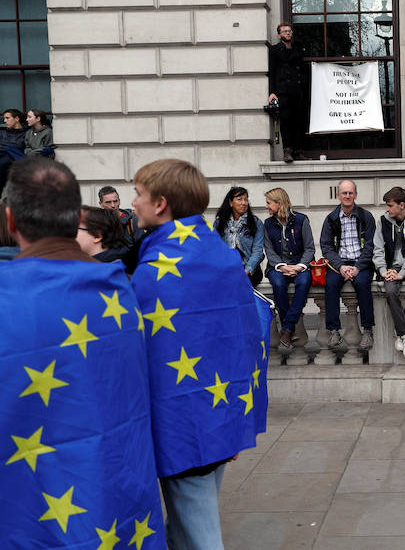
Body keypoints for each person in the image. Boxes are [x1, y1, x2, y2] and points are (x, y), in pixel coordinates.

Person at [1, 157, 164, 548]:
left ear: (11, 220)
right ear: (75, 217)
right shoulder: (119, 292)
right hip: (115, 499)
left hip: (26, 515)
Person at [130, 159, 263, 549]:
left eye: (138, 194)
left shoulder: (156, 270)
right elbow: (244, 338)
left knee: (200, 533)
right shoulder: (221, 256)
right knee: (184, 527)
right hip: (220, 413)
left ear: (160, 204)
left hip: (179, 425)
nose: (133, 202)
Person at [320, 180, 376, 353]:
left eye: (350, 193)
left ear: (355, 195)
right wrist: (341, 267)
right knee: (331, 284)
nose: (347, 196)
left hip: (362, 263)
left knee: (362, 283)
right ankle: (334, 330)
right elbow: (326, 247)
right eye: (344, 193)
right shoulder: (331, 219)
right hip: (339, 264)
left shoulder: (366, 217)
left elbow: (371, 246)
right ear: (338, 195)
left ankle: (367, 330)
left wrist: (358, 267)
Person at [373, 186, 405, 357]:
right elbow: (378, 249)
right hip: (390, 267)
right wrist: (383, 270)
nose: (387, 209)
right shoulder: (383, 221)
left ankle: (402, 331)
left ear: (401, 205)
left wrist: (402, 273)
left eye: (390, 205)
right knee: (389, 291)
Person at [263, 187, 315, 350]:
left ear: (279, 203)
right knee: (278, 284)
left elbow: (309, 248)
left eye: (269, 203)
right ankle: (289, 327)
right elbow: (269, 250)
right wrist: (283, 267)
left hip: (300, 265)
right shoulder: (268, 224)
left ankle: (287, 328)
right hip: (277, 267)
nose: (266, 206)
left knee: (304, 282)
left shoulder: (301, 220)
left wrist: (299, 267)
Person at [267, 22, 308, 162]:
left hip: (297, 90)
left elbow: (303, 71)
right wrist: (272, 92)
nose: (288, 33)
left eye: (289, 31)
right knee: (286, 121)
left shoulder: (298, 49)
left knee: (299, 121)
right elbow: (272, 72)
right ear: (279, 35)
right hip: (283, 91)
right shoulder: (274, 50)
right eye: (284, 31)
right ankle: (287, 151)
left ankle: (299, 151)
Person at [213, 186, 266, 286]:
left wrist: (247, 271)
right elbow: (215, 249)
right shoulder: (219, 223)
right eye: (239, 199)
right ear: (231, 202)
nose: (243, 203)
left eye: (246, 199)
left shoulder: (255, 223)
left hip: (249, 270)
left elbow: (258, 251)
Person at [0, 108, 27, 192]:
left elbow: (21, 148)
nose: (4, 121)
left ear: (17, 119)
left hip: (14, 156)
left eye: (7, 118)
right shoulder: (2, 132)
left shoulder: (26, 133)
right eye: (4, 118)